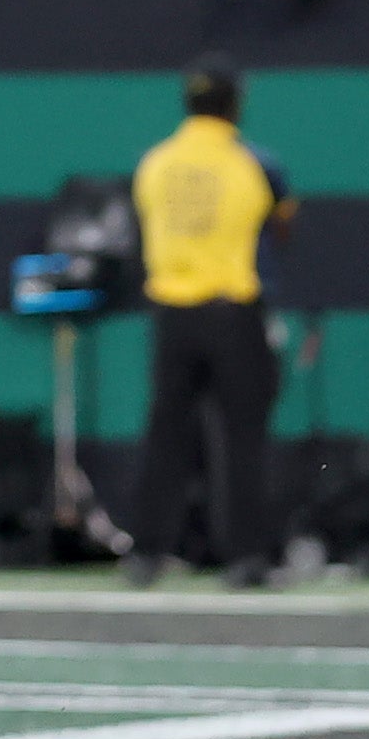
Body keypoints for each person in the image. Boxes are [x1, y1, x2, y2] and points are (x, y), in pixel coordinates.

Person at [122, 58, 290, 589]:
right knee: (241, 439)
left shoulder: (155, 162)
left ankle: (146, 553)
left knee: (165, 436)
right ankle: (245, 558)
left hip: (172, 313)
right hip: (231, 310)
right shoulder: (255, 162)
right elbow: (284, 223)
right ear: (235, 104)